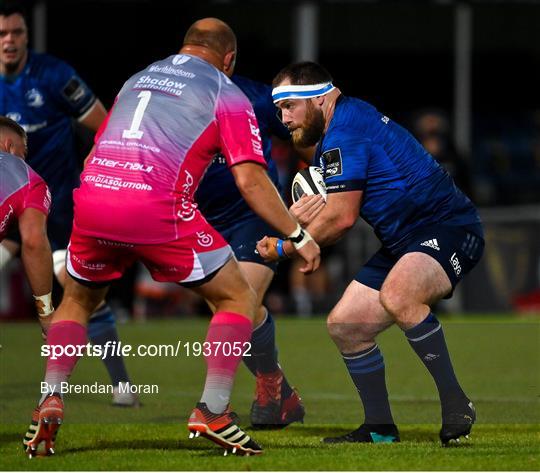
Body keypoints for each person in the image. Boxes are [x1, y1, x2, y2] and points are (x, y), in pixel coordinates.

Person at [23, 18, 319, 457]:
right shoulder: (225, 91)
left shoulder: (138, 78)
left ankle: (49, 399)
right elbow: (252, 181)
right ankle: (214, 410)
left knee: (79, 301)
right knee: (237, 298)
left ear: (184, 48)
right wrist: (298, 234)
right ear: (229, 60)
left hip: (94, 198)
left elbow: (98, 143)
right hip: (156, 206)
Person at [258, 61, 484, 445]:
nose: (285, 119)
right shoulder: (343, 125)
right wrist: (301, 225)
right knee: (346, 326)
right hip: (403, 242)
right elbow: (332, 212)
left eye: (291, 106)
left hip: (448, 229)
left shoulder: (344, 133)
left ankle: (456, 404)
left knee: (400, 295)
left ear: (321, 97)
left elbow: (341, 220)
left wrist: (283, 245)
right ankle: (379, 428)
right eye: (280, 110)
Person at [0, 3, 137, 406]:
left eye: (17, 33)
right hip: (8, 209)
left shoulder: (55, 76)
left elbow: (106, 125)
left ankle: (121, 385)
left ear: (27, 37)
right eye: (2, 34)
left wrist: (105, 168)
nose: (9, 41)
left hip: (55, 210)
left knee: (79, 290)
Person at [195, 73, 305, 429]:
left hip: (253, 214)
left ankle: (219, 404)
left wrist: (320, 176)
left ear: (227, 61)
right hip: (199, 220)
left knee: (239, 302)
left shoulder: (257, 99)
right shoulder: (171, 100)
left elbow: (301, 135)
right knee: (230, 308)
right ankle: (280, 390)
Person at [0, 116, 53, 327]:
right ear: (10, 146)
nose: (25, 158)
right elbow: (34, 242)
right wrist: (46, 314)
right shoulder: (28, 178)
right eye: (25, 152)